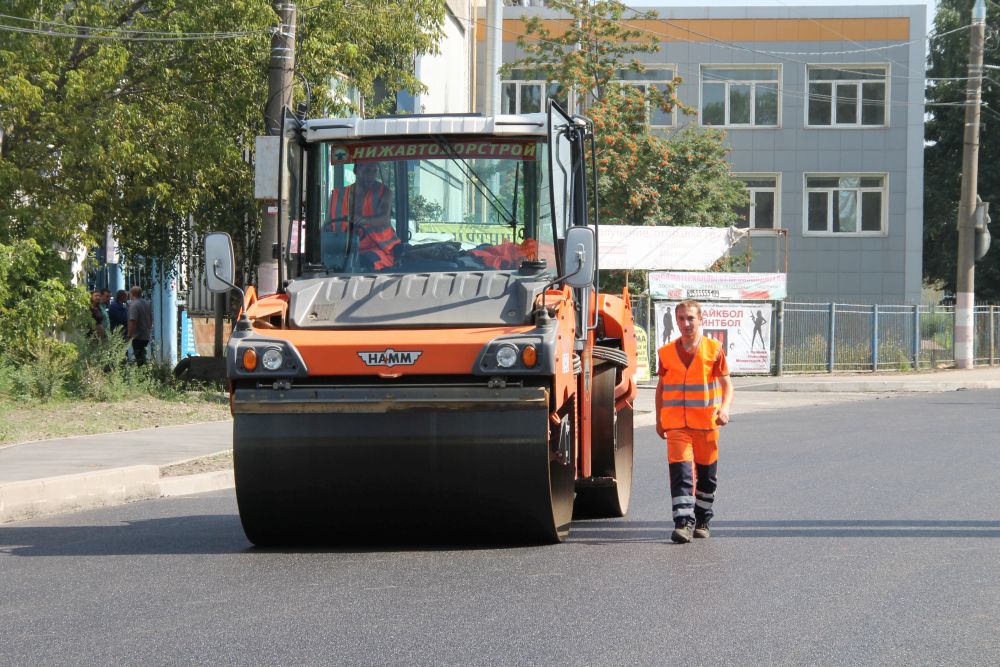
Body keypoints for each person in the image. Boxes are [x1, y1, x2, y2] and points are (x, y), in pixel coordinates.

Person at [655, 299, 734, 544]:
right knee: (681, 473)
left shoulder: (713, 349)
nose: (686, 323)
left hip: (707, 424)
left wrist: (724, 408)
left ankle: (702, 519)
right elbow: (661, 387)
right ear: (676, 321)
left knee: (707, 477)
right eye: (681, 319)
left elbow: (726, 384)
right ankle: (683, 523)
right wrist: (659, 418)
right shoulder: (666, 353)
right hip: (677, 425)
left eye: (691, 318)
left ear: (701, 319)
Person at [327, 161, 400, 270]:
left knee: (364, 264)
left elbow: (384, 219)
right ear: (356, 171)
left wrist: (363, 220)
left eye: (374, 171)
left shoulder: (384, 192)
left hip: (380, 249)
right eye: (367, 171)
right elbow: (328, 225)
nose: (371, 176)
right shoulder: (337, 195)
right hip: (343, 250)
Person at [127, 286, 153, 365]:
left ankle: (142, 374)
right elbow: (150, 318)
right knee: (143, 355)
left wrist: (130, 335)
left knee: (139, 357)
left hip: (137, 336)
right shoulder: (146, 303)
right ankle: (144, 372)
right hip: (145, 334)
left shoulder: (134, 305)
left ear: (132, 294)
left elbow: (133, 321)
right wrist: (148, 328)